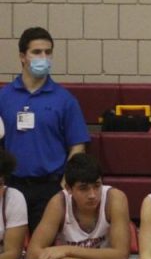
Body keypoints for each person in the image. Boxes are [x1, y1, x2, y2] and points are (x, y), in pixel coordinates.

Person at [0, 27, 90, 231]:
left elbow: (77, 146)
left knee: (43, 253)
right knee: (13, 251)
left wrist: (64, 185)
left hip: (50, 187)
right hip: (12, 187)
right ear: (22, 57)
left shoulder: (65, 100)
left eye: (48, 52)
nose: (44, 57)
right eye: (37, 52)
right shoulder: (3, 97)